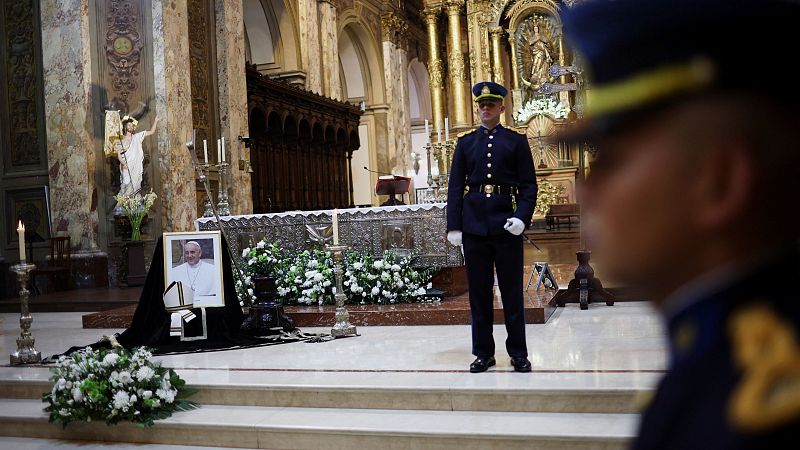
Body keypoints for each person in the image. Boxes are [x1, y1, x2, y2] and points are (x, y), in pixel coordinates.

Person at [560, 0, 800, 447]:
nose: (586, 191)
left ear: (719, 181)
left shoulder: (750, 412)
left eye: (612, 160)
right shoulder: (715, 369)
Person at [446, 81, 538, 373]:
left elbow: (528, 186)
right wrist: (454, 226)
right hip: (474, 227)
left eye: (491, 104)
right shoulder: (465, 143)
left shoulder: (516, 141)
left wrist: (522, 217)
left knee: (512, 293)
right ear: (477, 108)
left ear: (502, 107)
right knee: (479, 294)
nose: (485, 109)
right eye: (481, 104)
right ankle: (483, 353)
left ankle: (518, 352)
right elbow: (455, 187)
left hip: (506, 224)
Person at [117, 114, 159, 197]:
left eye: (132, 125)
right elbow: (119, 155)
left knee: (136, 184)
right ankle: (124, 202)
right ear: (125, 127)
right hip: (126, 166)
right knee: (126, 183)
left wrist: (156, 121)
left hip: (136, 166)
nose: (130, 127)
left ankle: (135, 202)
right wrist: (123, 163)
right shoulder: (121, 140)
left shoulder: (137, 137)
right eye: (129, 125)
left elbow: (151, 132)